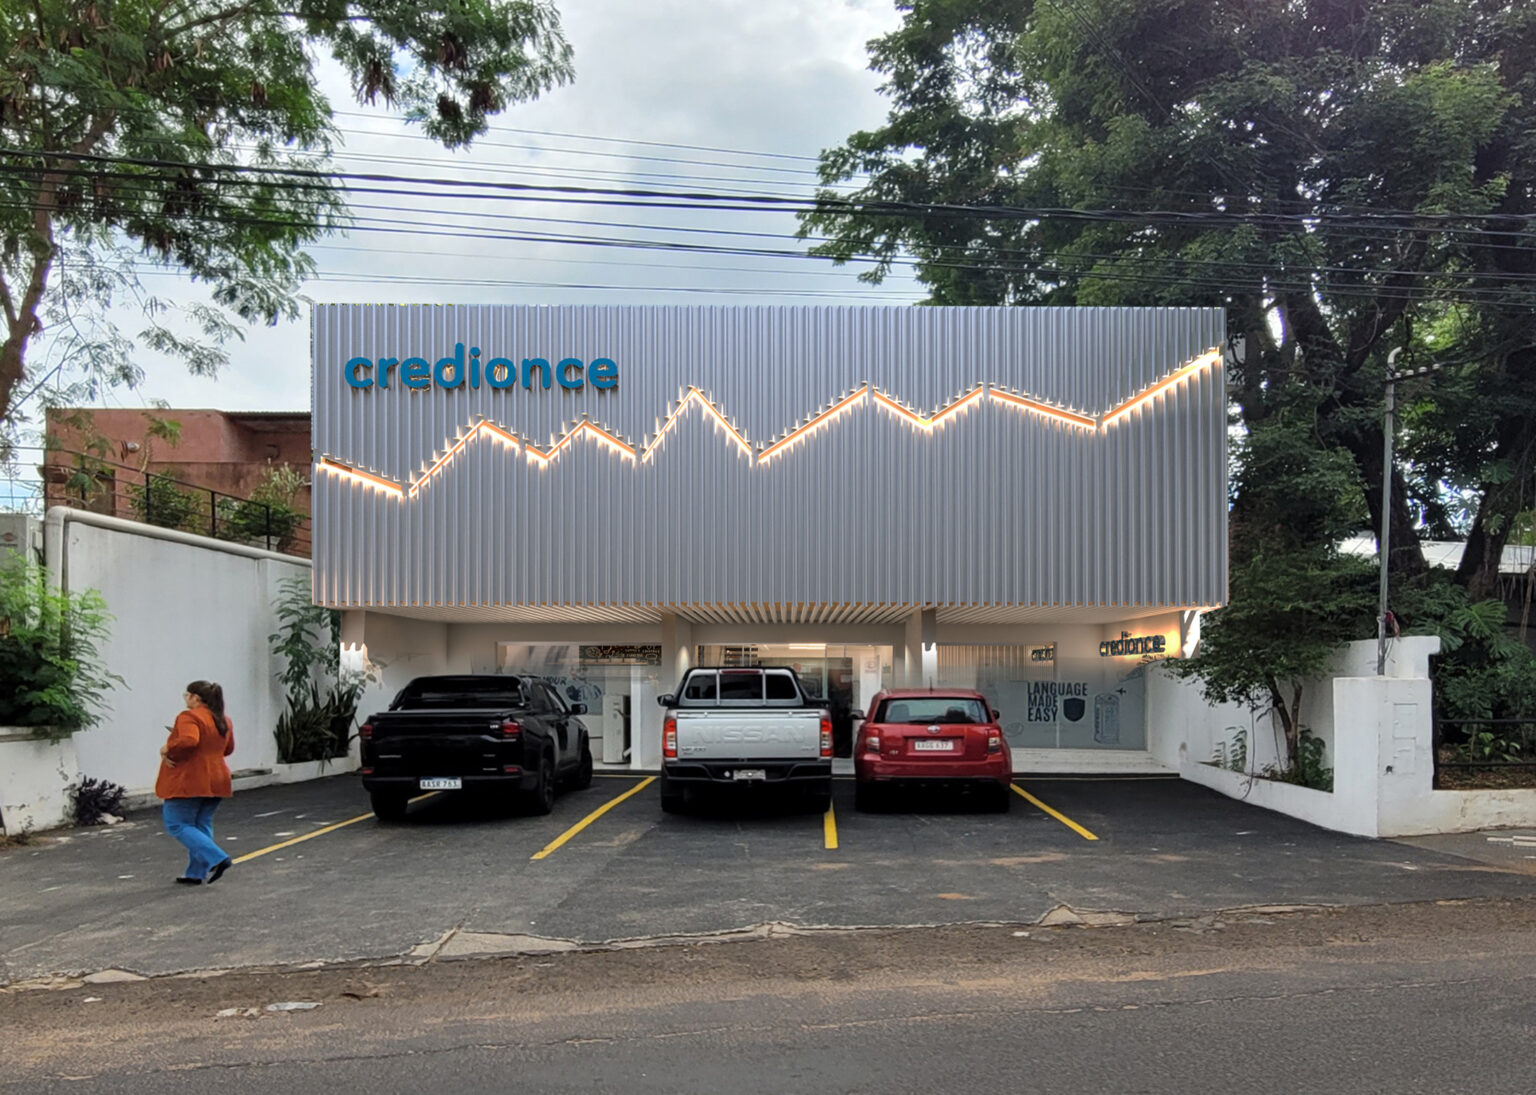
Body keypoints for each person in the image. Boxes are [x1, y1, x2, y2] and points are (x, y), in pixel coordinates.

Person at [157, 680, 236, 886]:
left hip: (191, 778)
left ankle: (217, 858)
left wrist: (167, 748)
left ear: (195, 697)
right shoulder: (223, 720)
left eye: (187, 695)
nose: (185, 698)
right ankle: (196, 872)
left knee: (177, 823)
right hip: (218, 777)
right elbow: (228, 749)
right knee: (201, 823)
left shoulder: (189, 717)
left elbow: (189, 740)